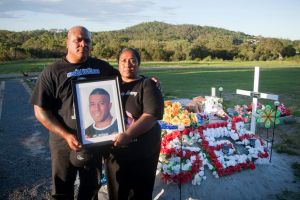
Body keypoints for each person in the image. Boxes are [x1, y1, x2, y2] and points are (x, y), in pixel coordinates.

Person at [31, 26, 120, 200]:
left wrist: (147, 82)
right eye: (78, 40)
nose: (83, 44)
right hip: (63, 141)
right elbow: (40, 110)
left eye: (87, 40)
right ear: (67, 43)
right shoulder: (53, 71)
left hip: (94, 138)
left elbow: (124, 81)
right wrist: (65, 135)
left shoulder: (101, 67)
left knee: (91, 186)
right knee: (62, 186)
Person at [106, 48, 164, 200]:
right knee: (117, 193)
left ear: (139, 64)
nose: (128, 64)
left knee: (140, 194)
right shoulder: (110, 86)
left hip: (142, 152)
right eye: (123, 61)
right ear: (118, 64)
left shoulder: (147, 85)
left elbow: (151, 115)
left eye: (133, 60)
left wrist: (128, 134)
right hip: (116, 151)